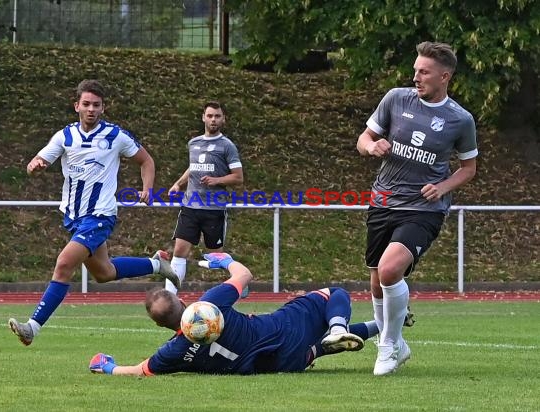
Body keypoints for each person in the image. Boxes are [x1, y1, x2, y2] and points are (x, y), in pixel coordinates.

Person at [8, 79, 179, 346]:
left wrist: (147, 189)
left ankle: (32, 327)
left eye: (96, 105)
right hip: (74, 217)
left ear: (103, 108)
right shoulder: (65, 136)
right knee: (104, 273)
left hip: (100, 215)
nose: (91, 109)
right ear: (76, 106)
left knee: (64, 265)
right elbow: (38, 162)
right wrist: (35, 166)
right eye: (86, 104)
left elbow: (146, 160)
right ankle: (157, 264)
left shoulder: (115, 136)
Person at [356, 41, 478, 376]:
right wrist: (372, 146)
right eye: (415, 70)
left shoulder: (460, 120)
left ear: (444, 76)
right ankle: (397, 343)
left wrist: (441, 187)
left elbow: (469, 168)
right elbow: (363, 139)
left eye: (423, 72)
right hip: (383, 200)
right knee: (377, 278)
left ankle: (387, 346)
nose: (416, 77)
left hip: (424, 209)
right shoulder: (395, 99)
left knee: (390, 268)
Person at [88, 253, 382, 376]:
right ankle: (338, 327)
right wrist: (225, 261)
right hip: (282, 331)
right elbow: (244, 274)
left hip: (286, 363)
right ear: (180, 299)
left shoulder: (173, 352)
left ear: (158, 324)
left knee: (316, 347)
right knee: (334, 295)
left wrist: (108, 366)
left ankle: (380, 325)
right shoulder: (211, 303)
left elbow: (140, 370)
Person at [166, 101, 243, 294]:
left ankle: (241, 282)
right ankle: (170, 297)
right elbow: (193, 167)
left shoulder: (227, 146)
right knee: (179, 252)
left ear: (223, 119)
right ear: (203, 118)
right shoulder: (194, 143)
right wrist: (178, 184)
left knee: (216, 256)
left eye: (217, 116)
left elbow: (238, 177)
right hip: (190, 206)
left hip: (214, 209)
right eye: (210, 116)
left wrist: (217, 180)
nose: (213, 120)